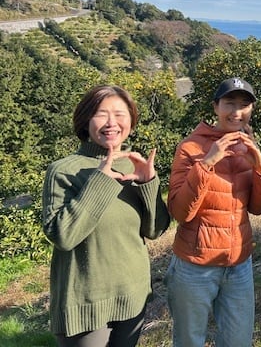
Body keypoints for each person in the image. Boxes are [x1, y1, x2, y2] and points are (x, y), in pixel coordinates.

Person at [42, 85, 170, 347]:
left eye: (120, 114)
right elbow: (63, 236)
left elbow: (155, 230)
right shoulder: (64, 171)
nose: (112, 122)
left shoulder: (133, 164)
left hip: (132, 295)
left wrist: (148, 183)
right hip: (85, 302)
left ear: (131, 121)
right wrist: (100, 180)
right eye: (101, 114)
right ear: (85, 120)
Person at [165, 77, 261, 347]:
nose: (236, 112)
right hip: (194, 266)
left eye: (244, 104)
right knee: (189, 341)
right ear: (215, 107)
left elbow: (258, 208)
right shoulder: (190, 148)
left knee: (238, 341)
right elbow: (180, 212)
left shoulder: (248, 146)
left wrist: (260, 168)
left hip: (238, 264)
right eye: (229, 103)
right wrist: (207, 163)